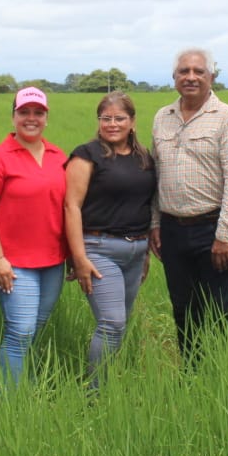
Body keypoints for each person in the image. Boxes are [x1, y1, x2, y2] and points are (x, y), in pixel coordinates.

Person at [149, 48, 228, 361]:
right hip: (172, 230)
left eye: (198, 71)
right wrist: (155, 224)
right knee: (182, 308)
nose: (190, 77)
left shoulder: (227, 118)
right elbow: (156, 174)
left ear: (212, 77)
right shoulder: (162, 118)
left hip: (213, 228)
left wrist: (225, 233)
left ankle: (221, 373)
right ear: (174, 77)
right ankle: (191, 373)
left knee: (220, 309)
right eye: (184, 71)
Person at [0, 87, 68, 384]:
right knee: (21, 330)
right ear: (13, 116)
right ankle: (9, 402)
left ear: (46, 117)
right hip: (14, 263)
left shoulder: (57, 156)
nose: (31, 118)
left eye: (38, 113)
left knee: (36, 326)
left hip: (53, 260)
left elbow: (69, 207)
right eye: (24, 112)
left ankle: (25, 384)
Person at [64, 91, 157, 386]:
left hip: (135, 250)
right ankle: (94, 394)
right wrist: (78, 258)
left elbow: (145, 204)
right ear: (99, 121)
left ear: (132, 121)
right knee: (112, 323)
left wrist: (145, 254)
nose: (112, 124)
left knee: (120, 324)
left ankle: (106, 385)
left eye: (119, 118)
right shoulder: (86, 155)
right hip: (98, 249)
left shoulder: (144, 158)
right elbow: (71, 206)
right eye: (106, 118)